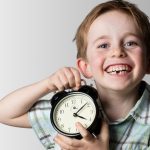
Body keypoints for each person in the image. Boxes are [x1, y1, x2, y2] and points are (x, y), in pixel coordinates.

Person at [0, 0, 150, 149]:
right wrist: (47, 84)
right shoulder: (69, 109)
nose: (117, 52)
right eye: (103, 45)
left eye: (130, 43)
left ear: (148, 62)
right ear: (86, 67)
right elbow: (5, 113)